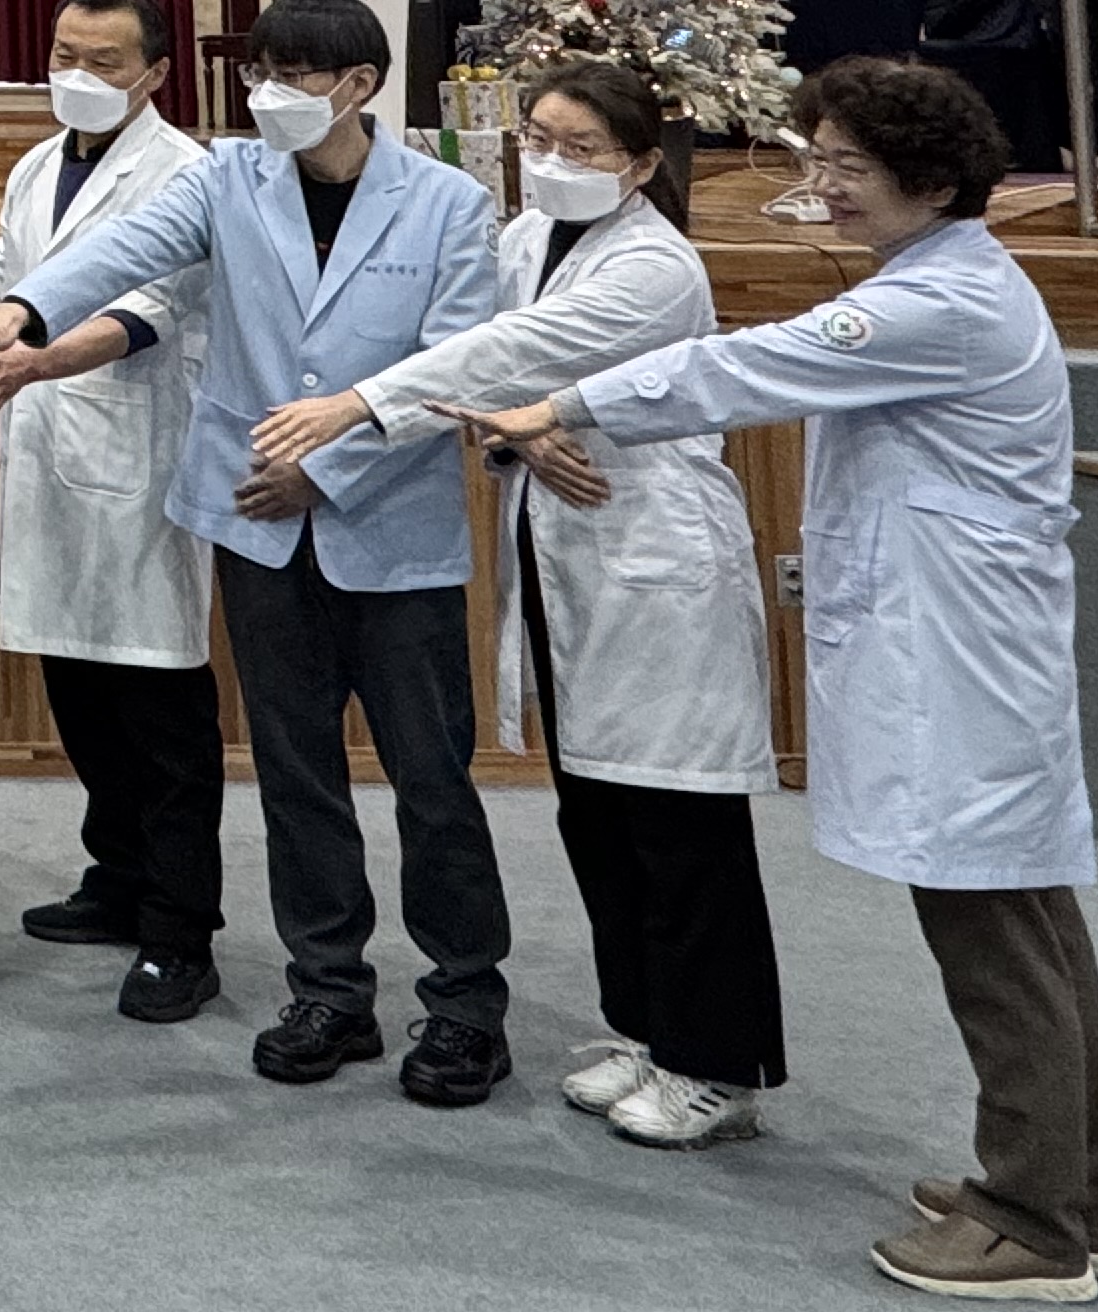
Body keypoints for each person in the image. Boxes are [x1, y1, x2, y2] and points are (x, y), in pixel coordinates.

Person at [455, 60, 1098, 1299]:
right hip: (953, 648)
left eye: (850, 168)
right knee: (1019, 914)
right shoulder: (930, 279)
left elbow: (736, 369)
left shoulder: (940, 300)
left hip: (959, 661)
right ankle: (1078, 1192)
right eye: (820, 160)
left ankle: (1037, 1223)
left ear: (934, 183)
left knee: (995, 933)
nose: (824, 187)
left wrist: (552, 404)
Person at [0, 0, 515, 1108]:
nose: (270, 96)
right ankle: (329, 988)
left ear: (358, 86)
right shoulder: (230, 177)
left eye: (295, 77)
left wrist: (325, 464)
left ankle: (463, 1005)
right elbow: (125, 250)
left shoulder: (447, 203)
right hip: (258, 525)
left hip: (388, 533)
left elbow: (455, 367)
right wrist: (24, 312)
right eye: (259, 75)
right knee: (296, 777)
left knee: (431, 781)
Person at [252, 57, 784, 1147]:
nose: (551, 161)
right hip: (561, 551)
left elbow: (512, 354)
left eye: (580, 147)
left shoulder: (657, 265)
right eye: (538, 139)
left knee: (680, 821)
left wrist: (361, 405)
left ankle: (719, 1064)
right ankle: (647, 1030)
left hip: (655, 557)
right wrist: (522, 434)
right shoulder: (527, 238)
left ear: (642, 162)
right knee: (599, 809)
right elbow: (497, 384)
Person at [0, 0, 220, 1023]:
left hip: (139, 454)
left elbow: (153, 308)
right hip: (44, 451)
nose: (77, 75)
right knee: (76, 686)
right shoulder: (35, 165)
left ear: (154, 73)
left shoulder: (188, 172)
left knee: (158, 709)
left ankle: (179, 930)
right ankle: (116, 877)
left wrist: (37, 360)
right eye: (64, 54)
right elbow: (5, 294)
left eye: (103, 61)